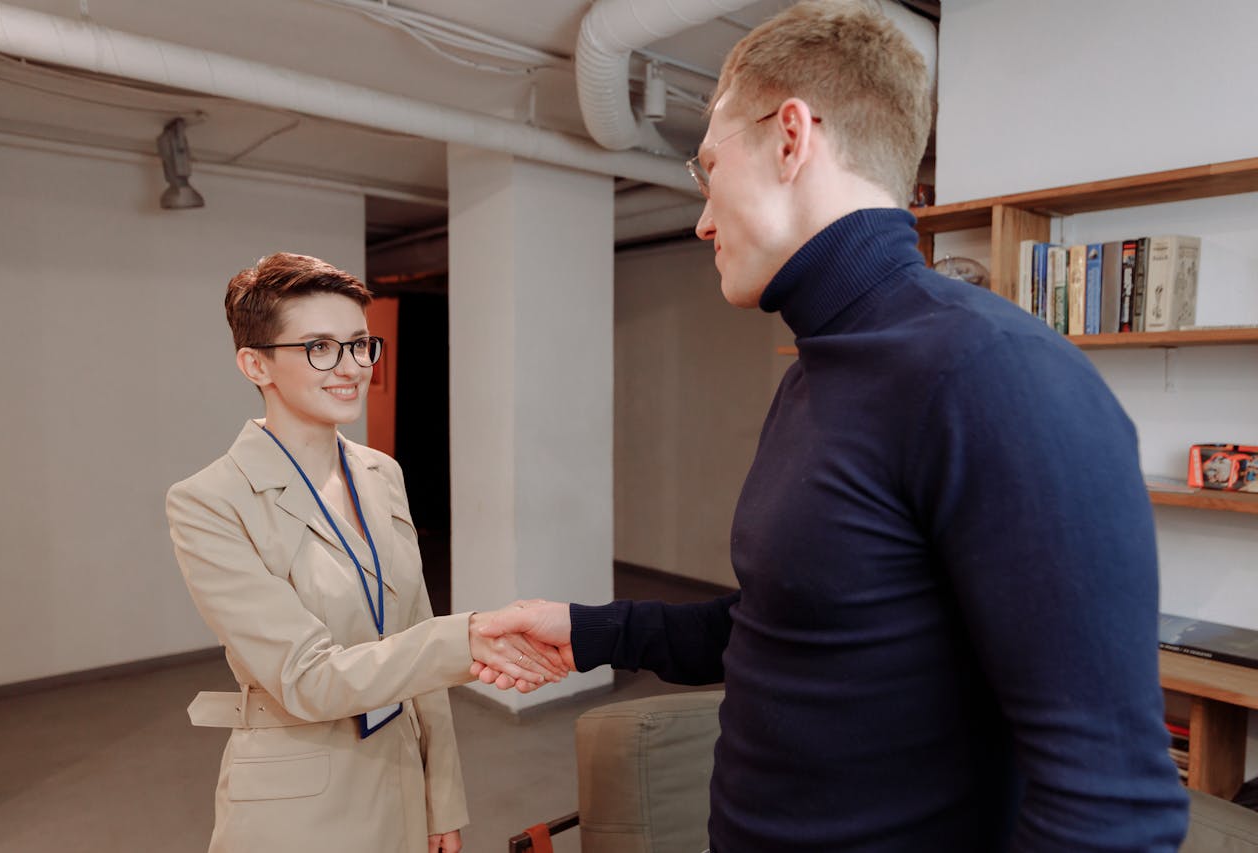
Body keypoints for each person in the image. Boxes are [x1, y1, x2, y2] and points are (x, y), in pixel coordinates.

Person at [473, 2, 1190, 851]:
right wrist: (590, 630)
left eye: (709, 169)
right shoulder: (812, 373)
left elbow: (1109, 805)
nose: (702, 220)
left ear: (790, 137)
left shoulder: (992, 374)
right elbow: (789, 626)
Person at [166, 252, 565, 853]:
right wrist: (467, 641)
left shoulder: (382, 473)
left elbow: (414, 629)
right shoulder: (209, 501)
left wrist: (441, 798)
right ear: (255, 364)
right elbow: (305, 678)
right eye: (320, 348)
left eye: (359, 344)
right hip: (298, 800)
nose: (351, 367)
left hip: (399, 774)